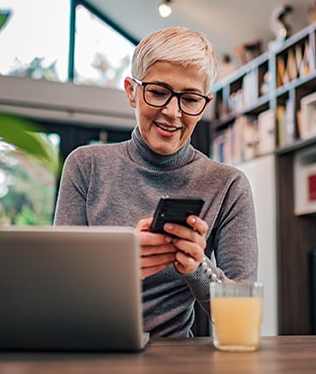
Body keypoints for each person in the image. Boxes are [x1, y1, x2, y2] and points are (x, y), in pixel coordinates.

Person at [54, 27, 258, 338]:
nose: (172, 112)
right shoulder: (86, 166)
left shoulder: (228, 185)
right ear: (131, 91)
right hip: (90, 350)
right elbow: (58, 289)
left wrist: (196, 267)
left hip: (174, 358)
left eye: (189, 99)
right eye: (159, 92)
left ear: (205, 103)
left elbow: (241, 320)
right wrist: (119, 264)